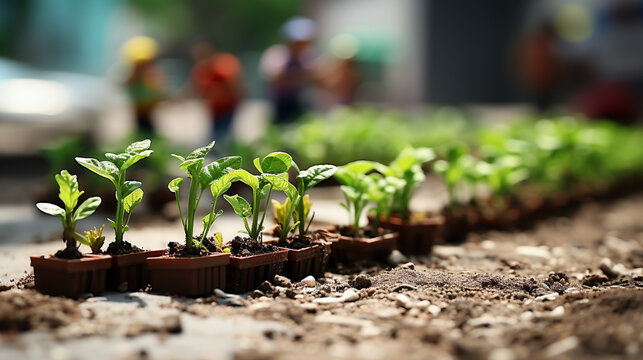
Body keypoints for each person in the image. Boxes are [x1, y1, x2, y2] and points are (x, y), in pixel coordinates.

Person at [260, 17, 317, 124]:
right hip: (279, 102)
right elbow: (272, 77)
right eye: (297, 42)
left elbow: (316, 78)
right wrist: (299, 76)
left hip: (301, 101)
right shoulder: (276, 54)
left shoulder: (308, 57)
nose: (300, 45)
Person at [190, 43, 243, 144]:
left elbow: (234, 86)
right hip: (214, 109)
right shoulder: (201, 69)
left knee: (221, 136)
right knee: (217, 136)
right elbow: (194, 88)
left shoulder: (223, 66)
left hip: (227, 107)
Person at [121, 36, 165, 135]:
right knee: (142, 131)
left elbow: (157, 89)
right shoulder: (134, 74)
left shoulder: (151, 73)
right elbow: (126, 84)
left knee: (148, 131)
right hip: (139, 109)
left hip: (148, 109)